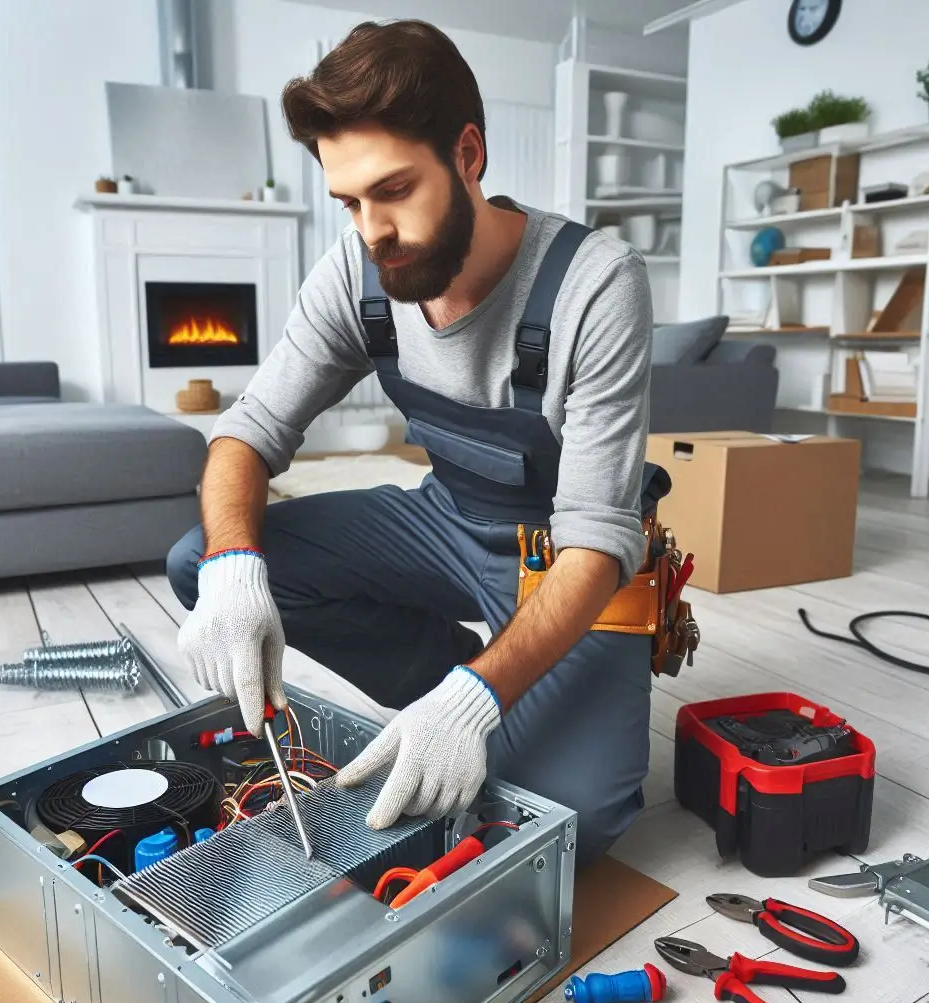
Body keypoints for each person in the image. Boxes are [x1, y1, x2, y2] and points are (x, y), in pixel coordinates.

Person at [167, 18, 664, 869]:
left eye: (394, 190)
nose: (372, 230)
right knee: (201, 557)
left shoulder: (596, 285)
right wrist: (233, 570)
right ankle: (449, 676)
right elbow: (245, 432)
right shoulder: (359, 274)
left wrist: (476, 705)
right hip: (444, 519)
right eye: (350, 202)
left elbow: (596, 538)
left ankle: (475, 694)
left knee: (572, 823)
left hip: (566, 562)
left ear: (468, 153)